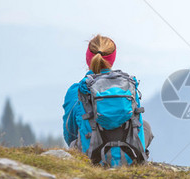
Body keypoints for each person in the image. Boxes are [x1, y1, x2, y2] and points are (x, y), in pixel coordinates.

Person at [63, 34, 153, 166]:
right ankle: (131, 158)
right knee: (145, 126)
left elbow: (69, 133)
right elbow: (137, 123)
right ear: (112, 60)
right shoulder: (128, 85)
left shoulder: (76, 90)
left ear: (88, 58)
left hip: (91, 155)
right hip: (129, 153)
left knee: (74, 139)